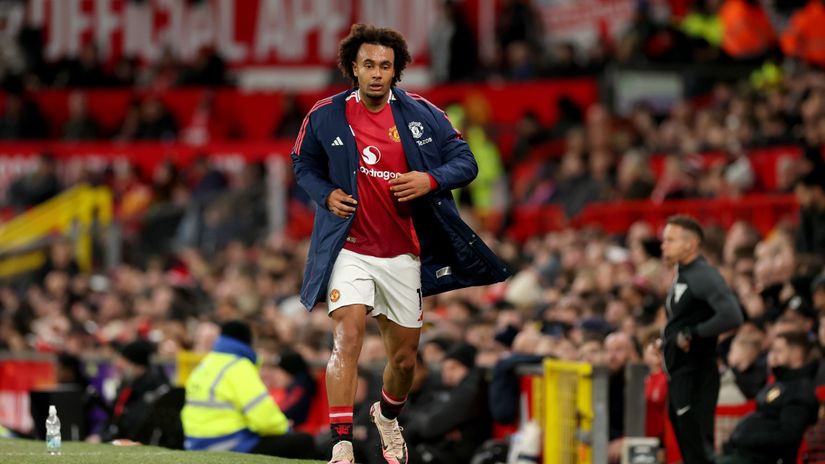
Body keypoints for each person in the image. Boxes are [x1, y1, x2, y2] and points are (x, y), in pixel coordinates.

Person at [291, 23, 510, 464]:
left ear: (397, 71)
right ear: (353, 67)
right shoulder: (325, 114)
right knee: (347, 335)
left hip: (405, 252)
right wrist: (324, 193)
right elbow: (303, 161)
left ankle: (387, 415)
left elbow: (465, 162)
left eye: (385, 66)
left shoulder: (423, 114)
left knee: (405, 361)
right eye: (368, 64)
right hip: (349, 247)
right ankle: (341, 443)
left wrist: (429, 179)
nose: (376, 73)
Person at [660, 215, 744, 464]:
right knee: (690, 451)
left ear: (690, 244)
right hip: (681, 374)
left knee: (699, 453)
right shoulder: (683, 274)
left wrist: (694, 334)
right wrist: (666, 341)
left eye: (670, 240)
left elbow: (732, 315)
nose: (663, 245)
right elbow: (684, 320)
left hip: (697, 374)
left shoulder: (704, 275)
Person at [180, 320, 318, 459]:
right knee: (304, 441)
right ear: (247, 341)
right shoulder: (239, 366)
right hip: (229, 443)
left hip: (195, 443)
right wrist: (286, 428)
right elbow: (264, 418)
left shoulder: (205, 364)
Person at [719, 331, 818, 464]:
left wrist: (748, 438)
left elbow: (788, 435)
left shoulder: (799, 390)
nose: (772, 356)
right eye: (772, 350)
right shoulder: (782, 382)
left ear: (797, 353)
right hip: (744, 453)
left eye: (778, 351)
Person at [89, 340, 169, 444]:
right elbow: (114, 417)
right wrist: (100, 435)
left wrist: (105, 438)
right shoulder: (128, 385)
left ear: (137, 365)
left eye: (123, 362)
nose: (118, 366)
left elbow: (134, 425)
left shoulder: (153, 389)